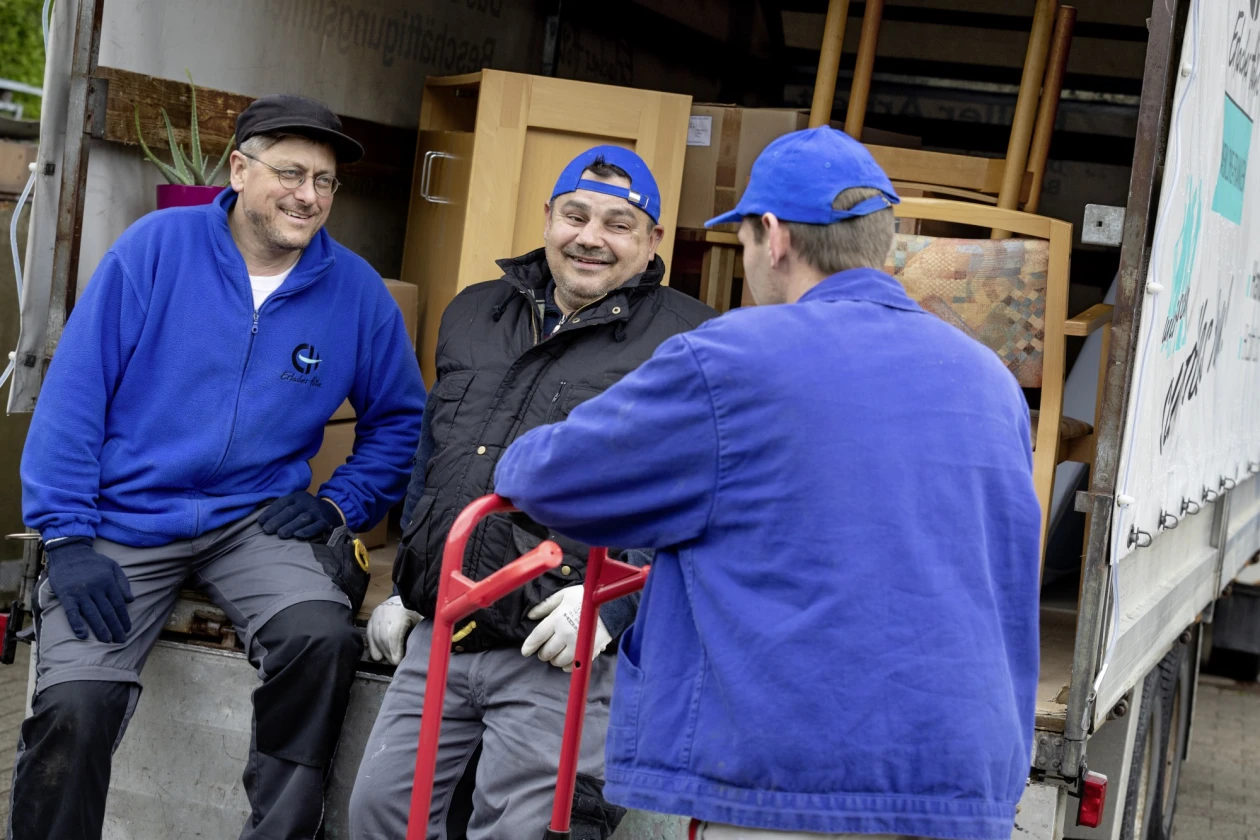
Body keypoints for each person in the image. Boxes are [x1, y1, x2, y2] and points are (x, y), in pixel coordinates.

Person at [494, 126, 1042, 840]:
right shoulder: (990, 381)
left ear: (774, 236)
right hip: (966, 779)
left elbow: (550, 477)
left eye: (745, 240)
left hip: (797, 784)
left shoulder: (732, 358)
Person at [13, 94, 426, 840]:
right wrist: (68, 540)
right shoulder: (153, 250)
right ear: (239, 169)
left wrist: (341, 505)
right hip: (125, 516)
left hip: (252, 522)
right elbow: (73, 400)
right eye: (291, 173)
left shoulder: (357, 293)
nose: (308, 195)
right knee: (75, 703)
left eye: (325, 181)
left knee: (319, 638)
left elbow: (402, 421)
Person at [349, 146, 716, 840]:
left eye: (617, 223)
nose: (590, 238)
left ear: (652, 240)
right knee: (379, 817)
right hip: (446, 627)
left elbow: (701, 503)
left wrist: (618, 603)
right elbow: (438, 455)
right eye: (575, 215)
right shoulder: (474, 312)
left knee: (519, 834)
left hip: (557, 641)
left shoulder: (689, 341)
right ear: (548, 217)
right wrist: (408, 582)